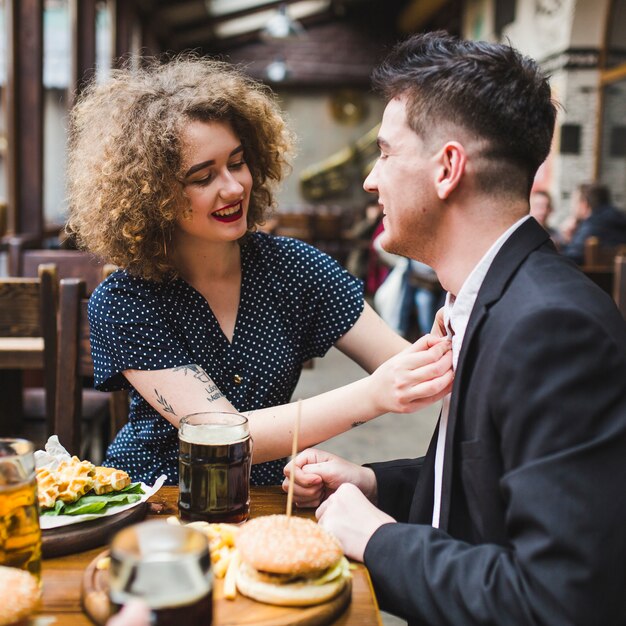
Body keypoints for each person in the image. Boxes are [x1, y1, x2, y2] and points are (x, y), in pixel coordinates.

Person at [284, 31, 626, 625]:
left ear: (447, 168)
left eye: (386, 153)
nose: (370, 179)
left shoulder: (552, 328)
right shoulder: (494, 299)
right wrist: (371, 482)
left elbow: (558, 603)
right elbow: (491, 488)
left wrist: (376, 540)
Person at [65, 54, 454, 487]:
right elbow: (219, 437)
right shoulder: (125, 301)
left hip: (269, 495)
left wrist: (451, 335)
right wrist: (374, 394)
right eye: (202, 177)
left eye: (236, 162)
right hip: (157, 501)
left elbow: (407, 366)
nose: (233, 187)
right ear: (152, 195)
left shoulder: (297, 269)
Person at [560, 182, 626, 264]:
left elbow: (572, 257)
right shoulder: (618, 220)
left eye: (574, 202)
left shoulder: (593, 224)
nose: (572, 207)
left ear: (584, 204)